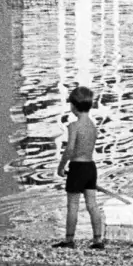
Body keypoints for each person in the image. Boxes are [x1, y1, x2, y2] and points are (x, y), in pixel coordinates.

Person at [54, 86, 107, 249]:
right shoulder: (93, 126)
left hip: (77, 167)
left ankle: (69, 239)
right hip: (91, 167)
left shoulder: (73, 126)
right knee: (92, 204)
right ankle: (98, 239)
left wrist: (61, 166)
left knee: (73, 205)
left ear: (73, 106)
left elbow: (70, 149)